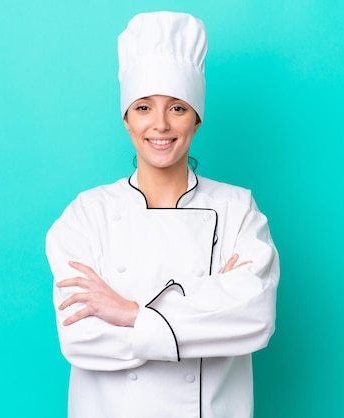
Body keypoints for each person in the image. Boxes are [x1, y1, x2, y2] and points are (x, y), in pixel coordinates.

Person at [46, 11, 279, 418]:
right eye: (142, 108)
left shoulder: (237, 209)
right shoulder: (87, 214)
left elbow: (254, 316)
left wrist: (130, 313)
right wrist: (211, 306)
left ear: (197, 118)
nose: (160, 125)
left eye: (177, 108)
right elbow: (81, 336)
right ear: (125, 118)